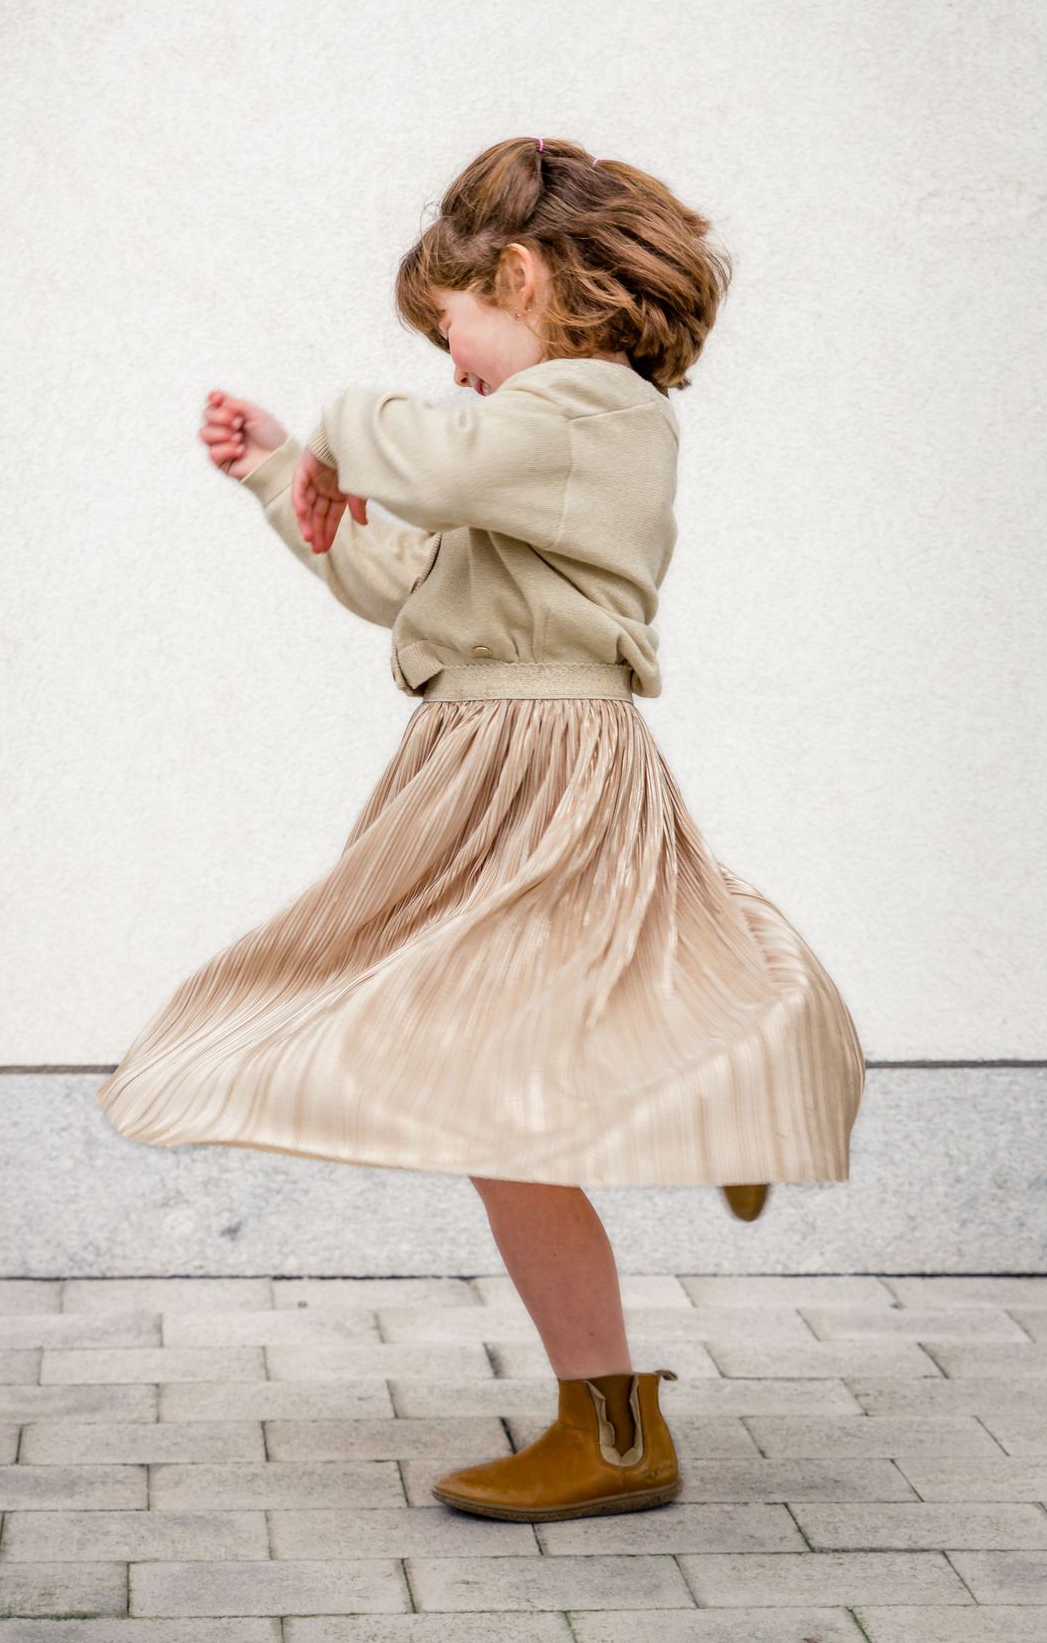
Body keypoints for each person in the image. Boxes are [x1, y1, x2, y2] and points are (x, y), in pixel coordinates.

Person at [97, 134, 867, 1521]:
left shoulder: (590, 412)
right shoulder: (521, 448)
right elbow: (410, 578)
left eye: (453, 330)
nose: (448, 366)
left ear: (518, 277)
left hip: (541, 757)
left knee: (493, 1080)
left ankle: (623, 1403)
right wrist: (286, 477)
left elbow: (432, 465)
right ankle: (710, 1124)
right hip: (476, 756)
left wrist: (338, 418)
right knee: (501, 1069)